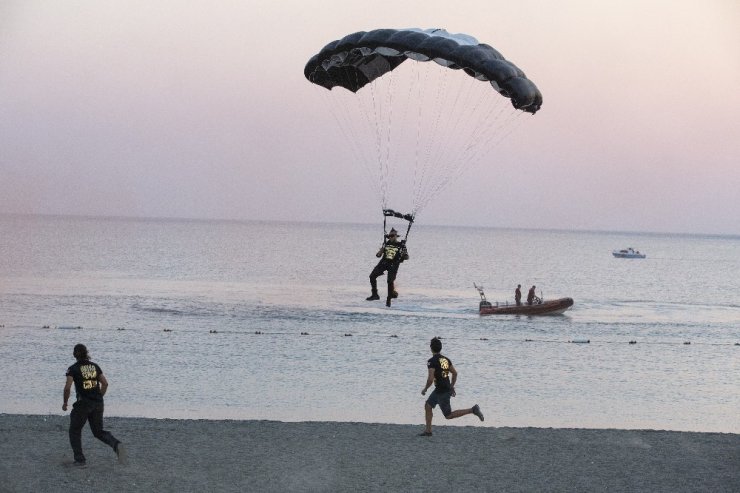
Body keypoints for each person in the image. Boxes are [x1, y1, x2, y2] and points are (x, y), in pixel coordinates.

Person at [63, 343, 126, 466]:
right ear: (86, 353)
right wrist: (98, 398)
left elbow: (67, 388)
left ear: (74, 354)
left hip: (83, 404)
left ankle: (80, 459)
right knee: (98, 432)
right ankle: (116, 444)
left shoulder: (73, 369)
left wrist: (65, 403)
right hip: (98, 403)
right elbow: (105, 384)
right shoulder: (95, 366)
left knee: (74, 430)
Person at [419, 337, 483, 436]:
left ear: (431, 348)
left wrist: (425, 389)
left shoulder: (431, 361)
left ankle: (473, 410)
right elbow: (455, 373)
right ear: (440, 348)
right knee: (428, 405)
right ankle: (428, 431)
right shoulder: (445, 360)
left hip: (442, 391)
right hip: (441, 389)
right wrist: (451, 386)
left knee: (448, 415)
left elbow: (430, 379)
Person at [366, 228, 409, 307]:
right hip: (384, 262)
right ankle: (375, 294)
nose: (391, 237)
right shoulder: (386, 243)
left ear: (396, 236)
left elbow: (407, 257)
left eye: (392, 236)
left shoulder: (401, 245)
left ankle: (389, 299)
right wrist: (380, 251)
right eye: (389, 236)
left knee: (390, 281)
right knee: (372, 276)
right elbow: (378, 255)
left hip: (394, 264)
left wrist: (404, 255)